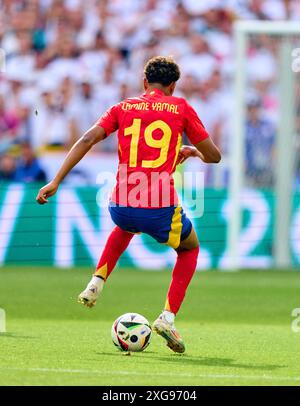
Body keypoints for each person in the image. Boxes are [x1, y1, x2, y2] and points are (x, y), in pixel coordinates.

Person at [36, 56, 221, 353]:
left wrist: (56, 181)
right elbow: (214, 156)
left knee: (126, 224)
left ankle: (97, 280)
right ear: (173, 85)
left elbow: (87, 138)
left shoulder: (123, 107)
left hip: (121, 202)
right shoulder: (181, 108)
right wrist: (195, 153)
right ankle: (167, 317)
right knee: (189, 249)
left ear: (144, 82)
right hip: (159, 206)